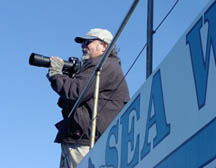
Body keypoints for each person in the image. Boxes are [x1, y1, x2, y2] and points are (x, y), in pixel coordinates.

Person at [47, 28, 130, 168]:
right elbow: (70, 100)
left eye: (88, 42)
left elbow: (75, 91)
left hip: (85, 140)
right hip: (84, 138)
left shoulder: (102, 65)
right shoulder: (105, 67)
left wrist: (56, 75)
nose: (83, 46)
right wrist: (70, 77)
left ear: (104, 46)